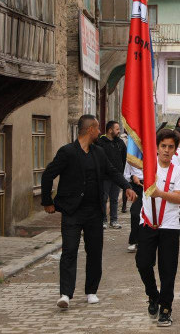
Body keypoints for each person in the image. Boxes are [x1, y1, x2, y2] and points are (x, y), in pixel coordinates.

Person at [40, 115, 136, 309]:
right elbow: (48, 175)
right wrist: (47, 202)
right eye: (97, 128)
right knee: (69, 251)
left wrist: (126, 186)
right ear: (90, 129)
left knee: (94, 252)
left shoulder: (99, 153)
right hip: (72, 212)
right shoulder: (67, 152)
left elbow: (112, 171)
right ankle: (65, 294)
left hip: (94, 211)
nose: (99, 132)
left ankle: (91, 291)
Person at [126, 129, 180, 327]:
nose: (167, 151)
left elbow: (178, 198)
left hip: (169, 226)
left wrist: (159, 193)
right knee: (143, 263)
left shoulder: (177, 170)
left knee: (168, 270)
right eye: (163, 146)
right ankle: (153, 295)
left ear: (175, 150)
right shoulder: (147, 167)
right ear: (157, 148)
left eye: (171, 147)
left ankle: (166, 309)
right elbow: (128, 162)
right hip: (148, 224)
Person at [95, 121, 127, 229]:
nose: (119, 132)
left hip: (117, 176)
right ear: (110, 130)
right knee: (103, 198)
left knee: (114, 199)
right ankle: (103, 220)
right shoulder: (100, 143)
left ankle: (114, 220)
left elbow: (124, 158)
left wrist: (121, 173)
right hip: (104, 177)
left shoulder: (120, 143)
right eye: (117, 129)